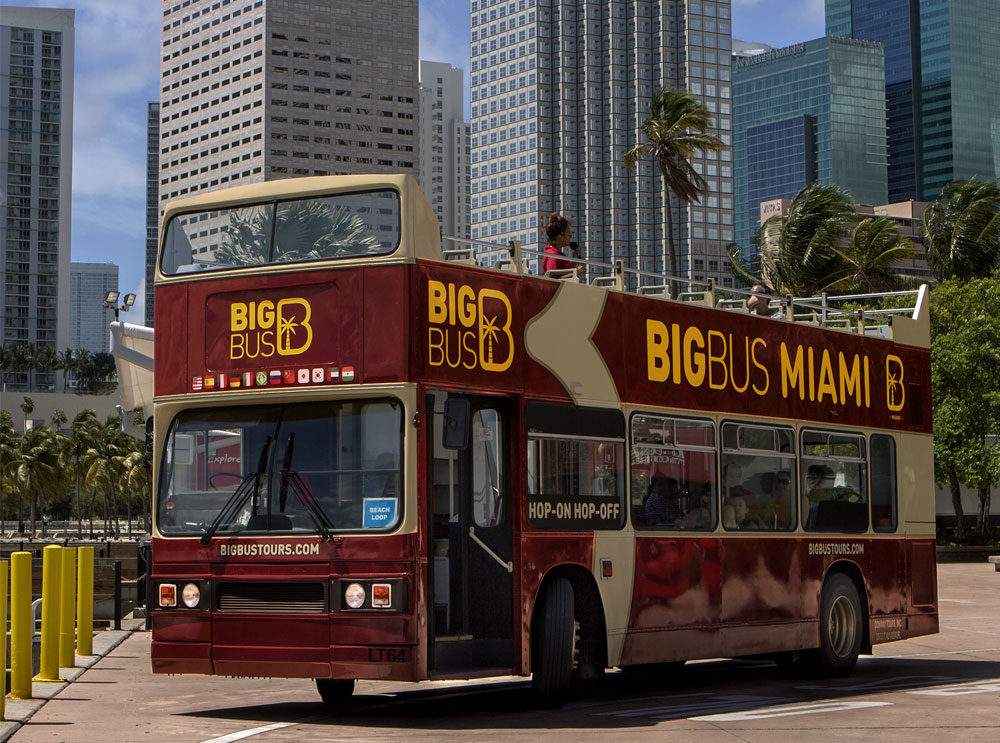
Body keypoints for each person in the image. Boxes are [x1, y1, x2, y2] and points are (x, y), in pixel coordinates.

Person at [541, 212, 585, 278]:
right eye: (569, 234)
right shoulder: (553, 255)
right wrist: (577, 273)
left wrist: (574, 259)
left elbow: (567, 272)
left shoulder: (558, 254)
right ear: (560, 235)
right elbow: (554, 280)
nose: (570, 237)